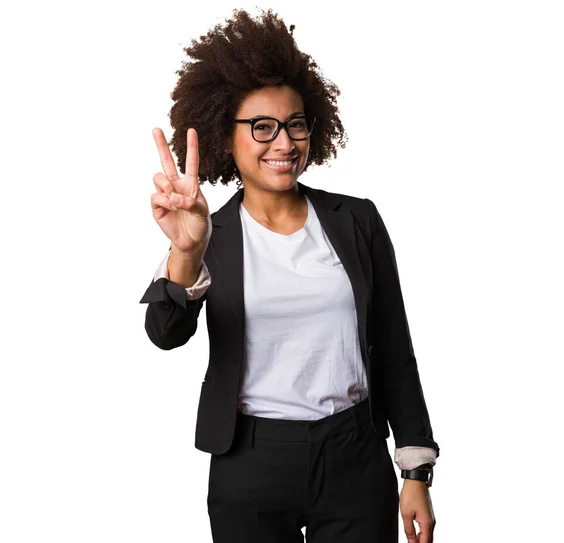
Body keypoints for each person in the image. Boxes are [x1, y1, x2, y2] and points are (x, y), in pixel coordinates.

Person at [139, 8, 440, 543]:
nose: (283, 143)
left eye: (295, 124)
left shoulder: (358, 221)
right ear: (224, 135)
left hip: (353, 454)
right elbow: (165, 334)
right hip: (250, 460)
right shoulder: (212, 231)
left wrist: (414, 470)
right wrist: (186, 251)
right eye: (262, 127)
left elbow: (394, 347)